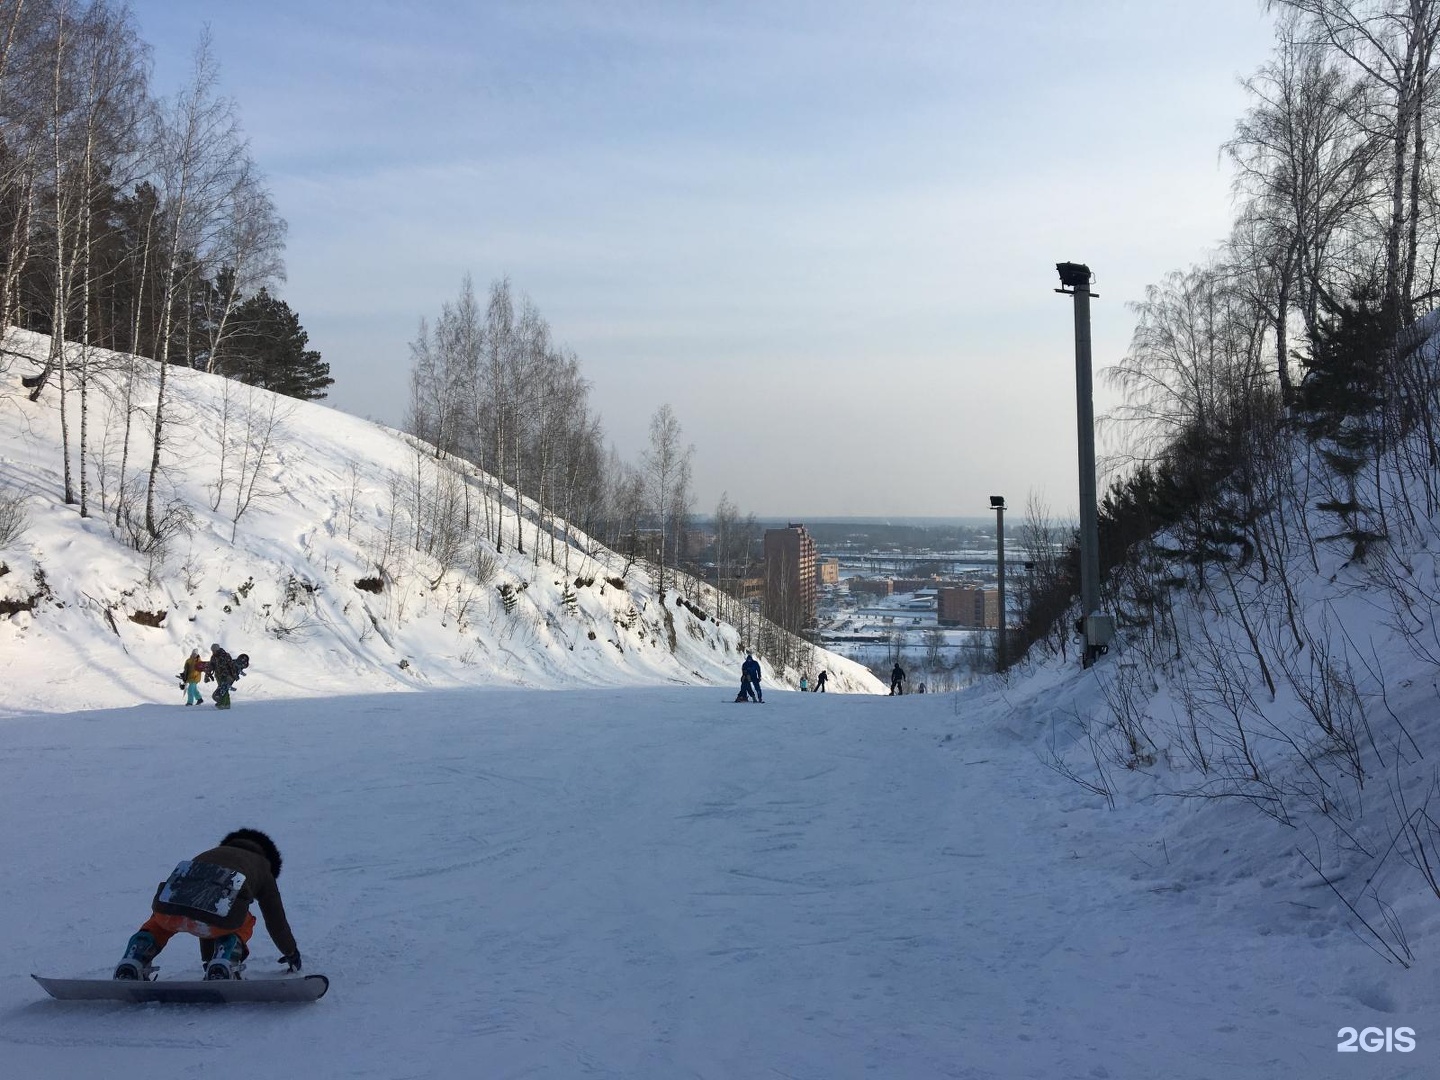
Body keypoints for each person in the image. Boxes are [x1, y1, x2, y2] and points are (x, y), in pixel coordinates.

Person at [114, 828, 301, 981]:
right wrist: (291, 952)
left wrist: (208, 962)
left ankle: (135, 957)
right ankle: (226, 957)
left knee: (159, 923)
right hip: (217, 918)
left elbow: (199, 908)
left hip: (167, 911)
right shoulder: (262, 866)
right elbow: (275, 920)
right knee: (243, 919)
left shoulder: (209, 854)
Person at [206, 643, 244, 709]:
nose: (213, 652)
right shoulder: (213, 657)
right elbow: (211, 665)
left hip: (226, 675)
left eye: (214, 650)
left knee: (223, 689)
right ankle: (227, 704)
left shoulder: (226, 655)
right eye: (212, 651)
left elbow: (231, 665)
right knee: (224, 689)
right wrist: (208, 672)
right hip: (218, 675)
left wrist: (233, 675)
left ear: (217, 650)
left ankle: (222, 704)